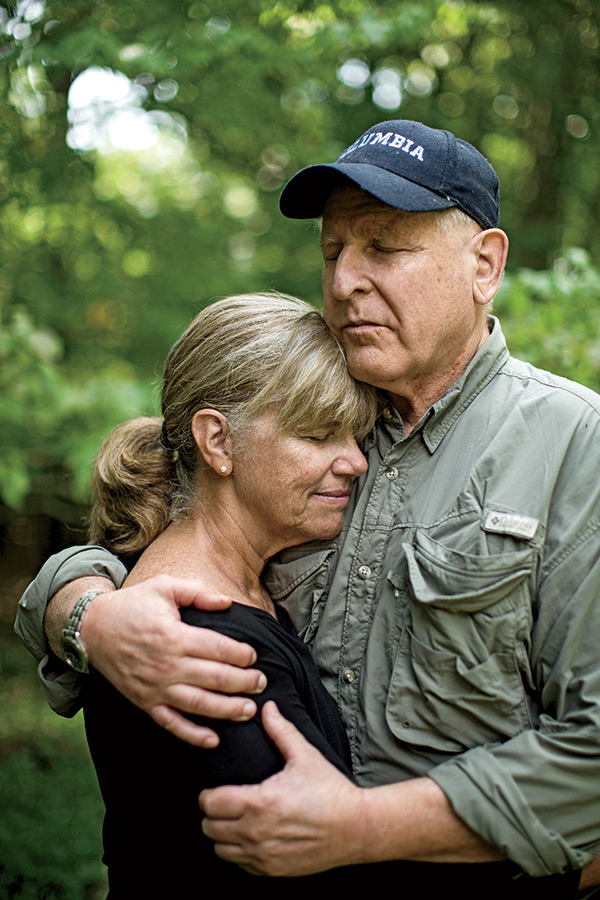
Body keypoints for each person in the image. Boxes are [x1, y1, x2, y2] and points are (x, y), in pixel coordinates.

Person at [15, 120, 600, 893]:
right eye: (332, 252)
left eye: (384, 248)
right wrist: (89, 613)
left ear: (484, 265)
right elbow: (170, 537)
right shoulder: (306, 414)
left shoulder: (575, 446)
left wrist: (360, 828)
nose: (344, 281)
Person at [67, 291, 381, 896]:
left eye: (357, 433)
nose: (355, 460)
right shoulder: (201, 640)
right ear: (218, 442)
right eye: (319, 433)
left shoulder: (236, 587)